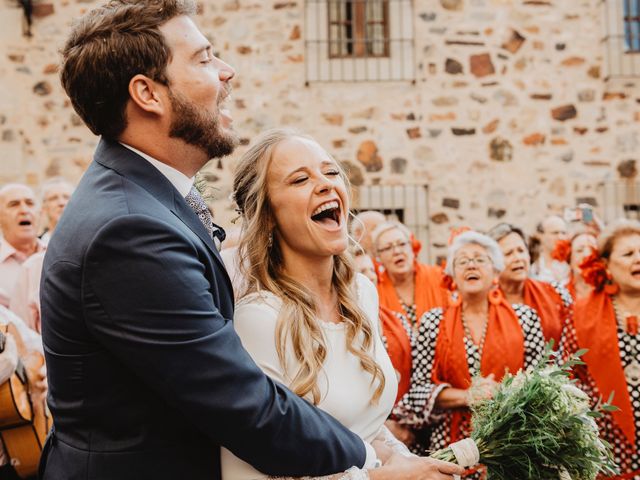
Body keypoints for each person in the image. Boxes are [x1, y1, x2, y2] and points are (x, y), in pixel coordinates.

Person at [40, 2, 394, 478]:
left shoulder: (146, 199)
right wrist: (371, 462)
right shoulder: (128, 230)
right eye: (204, 59)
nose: (228, 72)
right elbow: (243, 404)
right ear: (147, 93)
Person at [225, 128, 463, 480]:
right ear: (268, 215)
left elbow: (364, 428)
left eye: (331, 171)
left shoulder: (362, 293)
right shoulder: (258, 319)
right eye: (300, 179)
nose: (325, 184)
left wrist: (409, 461)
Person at [391, 231, 546, 466]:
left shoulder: (525, 318)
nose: (471, 265)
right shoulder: (433, 322)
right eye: (462, 261)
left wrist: (503, 392)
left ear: (495, 272)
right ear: (452, 275)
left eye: (480, 259)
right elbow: (418, 393)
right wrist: (468, 396)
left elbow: (541, 384)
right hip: (451, 446)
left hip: (514, 442)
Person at [562, 219, 640, 479]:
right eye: (628, 254)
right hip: (609, 448)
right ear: (606, 264)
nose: (638, 259)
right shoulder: (581, 314)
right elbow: (567, 381)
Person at [487, 222, 572, 346]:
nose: (518, 258)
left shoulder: (556, 293)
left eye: (521, 250)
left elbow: (571, 346)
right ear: (493, 261)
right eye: (508, 253)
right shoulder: (483, 302)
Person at [373, 221, 450, 328]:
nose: (397, 251)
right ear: (379, 257)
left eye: (402, 244)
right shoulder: (375, 292)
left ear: (412, 248)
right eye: (388, 248)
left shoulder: (439, 277)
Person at [0, 184, 45, 308]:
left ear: (40, 213)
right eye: (13, 204)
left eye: (30, 203)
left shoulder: (58, 255)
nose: (24, 210)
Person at [530, 215, 570, 284]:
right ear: (540, 235)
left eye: (563, 233)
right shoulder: (530, 263)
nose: (560, 237)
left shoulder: (572, 262)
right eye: (555, 233)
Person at [38, 178, 74, 245]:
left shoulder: (89, 241)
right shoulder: (36, 245)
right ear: (44, 207)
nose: (61, 203)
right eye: (53, 198)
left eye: (66, 197)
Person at [566, 229, 598, 300]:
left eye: (592, 249)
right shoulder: (560, 294)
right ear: (569, 259)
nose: (587, 255)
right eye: (579, 250)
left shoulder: (614, 294)